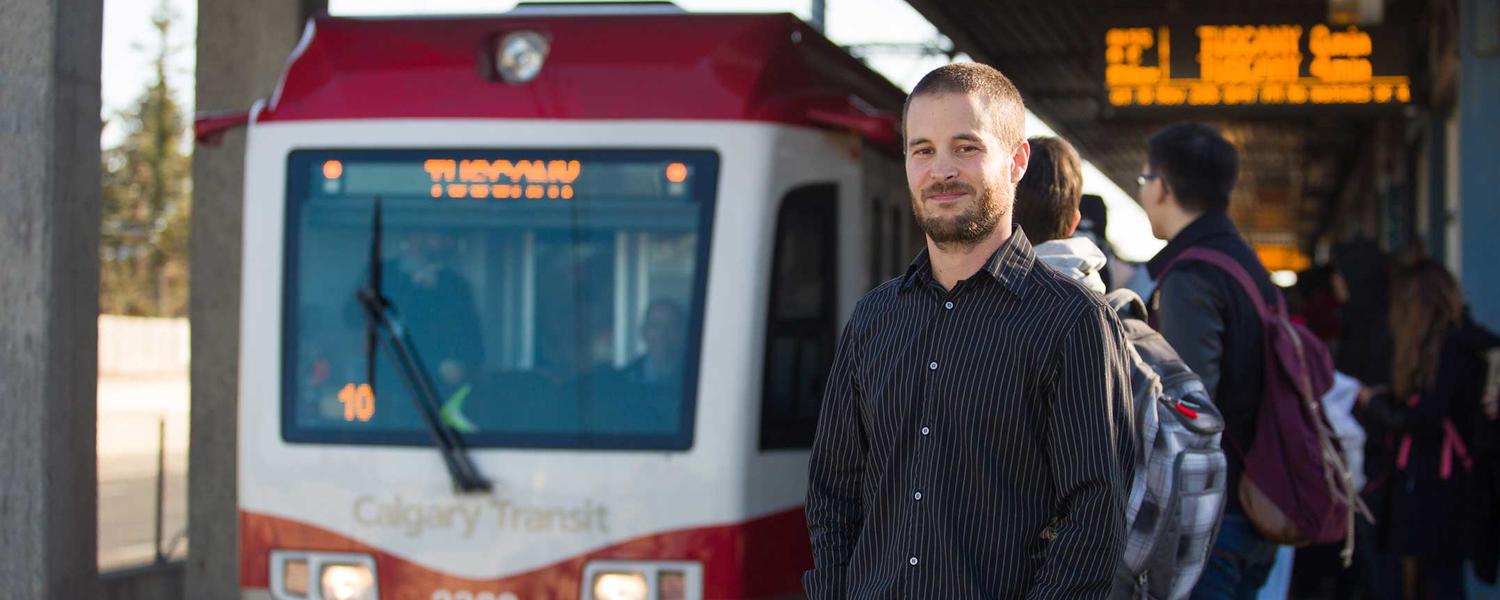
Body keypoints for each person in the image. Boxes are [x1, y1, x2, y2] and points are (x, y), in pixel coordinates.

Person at [803, 63, 1135, 599]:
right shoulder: (873, 321)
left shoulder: (1074, 323)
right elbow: (832, 497)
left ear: (1017, 161)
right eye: (923, 150)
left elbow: (1094, 522)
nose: (941, 171)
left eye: (966, 147)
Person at [1136, 122, 1279, 599]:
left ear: (1163, 186)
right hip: (1252, 507)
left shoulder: (1191, 276)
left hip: (1211, 525)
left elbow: (1188, 416)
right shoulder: (1244, 265)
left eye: (1143, 181)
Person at [1359, 259, 1500, 600]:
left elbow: (1426, 416)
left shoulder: (1449, 349)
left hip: (1441, 484)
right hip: (1454, 481)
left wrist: (1374, 404)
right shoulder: (1468, 343)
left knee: (1439, 577)